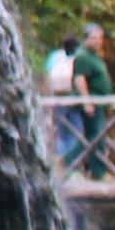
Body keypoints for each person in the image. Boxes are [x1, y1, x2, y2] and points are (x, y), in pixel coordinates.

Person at [74, 21, 115, 176]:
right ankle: (98, 173)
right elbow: (79, 79)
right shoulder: (83, 55)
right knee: (96, 137)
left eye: (100, 38)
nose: (98, 41)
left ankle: (96, 171)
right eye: (95, 38)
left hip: (100, 103)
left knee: (96, 136)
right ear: (86, 38)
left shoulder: (94, 55)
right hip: (93, 103)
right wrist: (87, 101)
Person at [45, 31, 82, 171]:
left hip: (57, 100)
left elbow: (47, 79)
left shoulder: (54, 56)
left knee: (62, 134)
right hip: (74, 100)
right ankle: (72, 166)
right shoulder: (79, 56)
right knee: (77, 132)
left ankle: (61, 166)